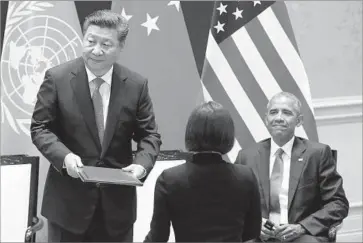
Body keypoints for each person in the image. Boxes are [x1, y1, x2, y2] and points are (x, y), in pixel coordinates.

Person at [30, 10, 161, 242]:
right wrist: (64, 157)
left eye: (106, 44)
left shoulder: (136, 85)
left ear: (120, 47)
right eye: (91, 41)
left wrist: (141, 166)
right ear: (83, 39)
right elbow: (40, 128)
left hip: (116, 209)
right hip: (68, 207)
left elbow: (149, 135)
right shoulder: (57, 78)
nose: (96, 51)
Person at [235, 92, 349, 242]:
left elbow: (338, 203)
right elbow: (234, 202)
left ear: (299, 121)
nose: (279, 118)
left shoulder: (317, 154)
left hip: (302, 234)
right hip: (259, 235)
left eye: (287, 113)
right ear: (266, 119)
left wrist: (301, 227)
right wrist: (254, 223)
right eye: (273, 112)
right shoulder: (247, 156)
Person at [144, 101, 261, 242]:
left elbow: (158, 236)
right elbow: (252, 233)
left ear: (191, 132)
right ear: (228, 134)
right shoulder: (246, 176)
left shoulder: (169, 179)